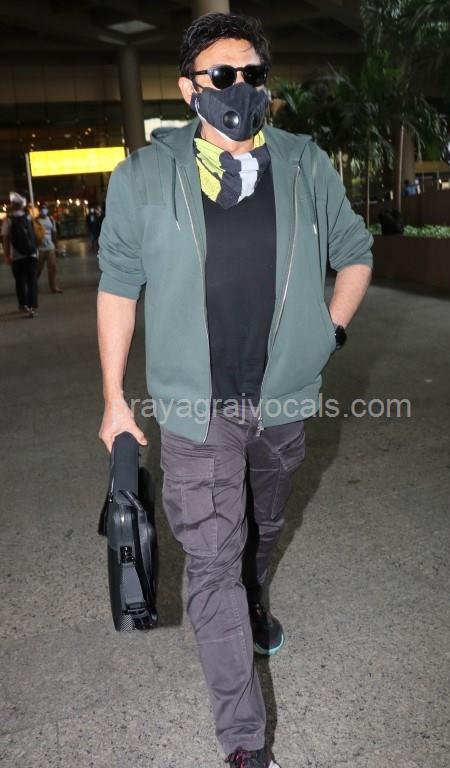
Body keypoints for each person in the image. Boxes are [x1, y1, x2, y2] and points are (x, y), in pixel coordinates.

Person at [97, 13, 373, 768]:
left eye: (253, 75)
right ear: (189, 90)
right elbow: (118, 287)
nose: (240, 87)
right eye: (223, 75)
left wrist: (328, 333)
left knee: (264, 525)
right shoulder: (143, 177)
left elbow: (354, 253)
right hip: (196, 408)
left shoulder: (304, 164)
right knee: (213, 559)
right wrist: (115, 399)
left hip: (283, 398)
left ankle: (255, 593)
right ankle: (245, 744)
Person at [1, 192, 39, 317]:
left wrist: (6, 255)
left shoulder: (8, 220)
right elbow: (36, 235)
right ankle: (33, 307)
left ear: (12, 205)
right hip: (32, 254)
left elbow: (5, 239)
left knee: (20, 281)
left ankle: (23, 305)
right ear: (23, 205)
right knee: (32, 281)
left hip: (17, 256)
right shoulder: (29, 217)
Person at [37, 204, 62, 293]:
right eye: (42, 208)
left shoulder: (51, 220)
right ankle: (32, 285)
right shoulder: (36, 221)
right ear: (39, 210)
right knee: (38, 268)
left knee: (53, 267)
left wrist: (56, 247)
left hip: (50, 247)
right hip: (40, 248)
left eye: (45, 208)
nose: (44, 210)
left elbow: (54, 233)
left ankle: (53, 287)